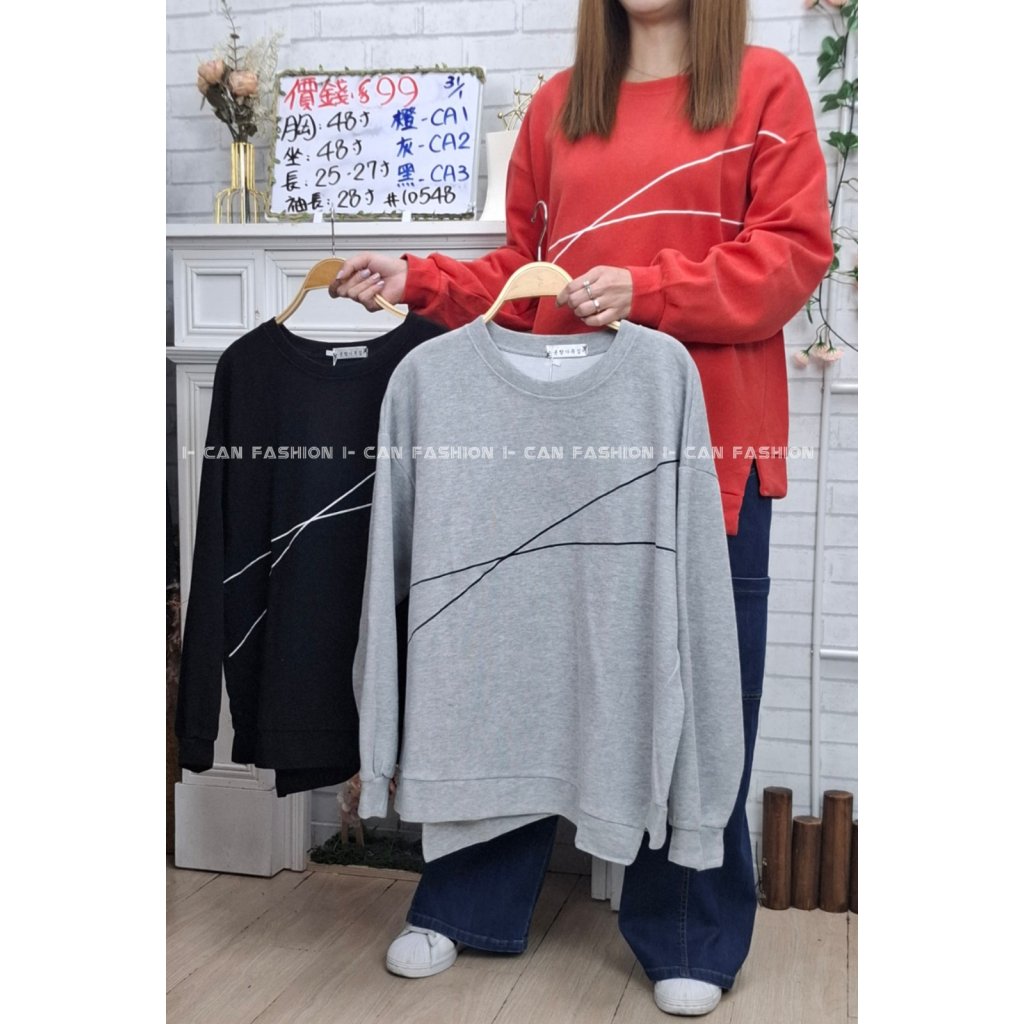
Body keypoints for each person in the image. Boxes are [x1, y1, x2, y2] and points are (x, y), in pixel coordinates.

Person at [330, 0, 832, 1016]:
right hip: (553, 454)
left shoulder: (765, 88)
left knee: (702, 685)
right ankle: (468, 901)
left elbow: (790, 257)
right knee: (514, 667)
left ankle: (688, 928)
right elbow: (523, 280)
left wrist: (649, 291)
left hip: (710, 450)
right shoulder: (560, 106)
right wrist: (419, 278)